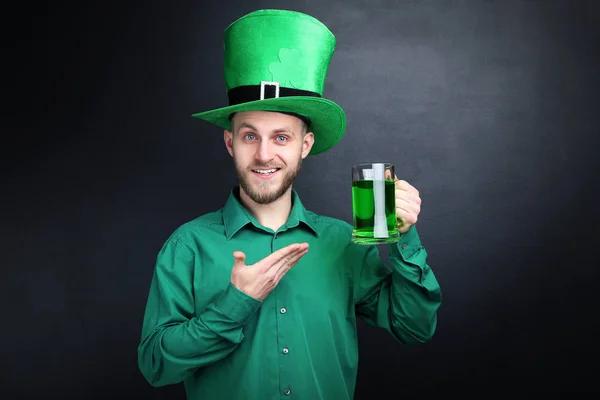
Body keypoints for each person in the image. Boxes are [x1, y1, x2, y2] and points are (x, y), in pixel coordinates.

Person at [137, 9, 442, 400]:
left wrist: (403, 239)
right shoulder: (187, 247)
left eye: (281, 137)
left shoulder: (344, 242)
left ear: (305, 146)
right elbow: (155, 366)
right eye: (250, 136)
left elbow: (415, 328)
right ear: (230, 143)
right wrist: (235, 304)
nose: (264, 154)